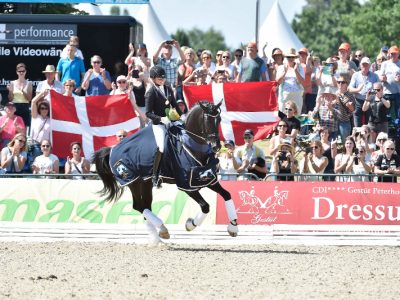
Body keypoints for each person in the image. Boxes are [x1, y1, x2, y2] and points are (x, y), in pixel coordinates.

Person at [145, 66, 182, 188]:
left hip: (170, 120)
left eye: (163, 78)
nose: (162, 80)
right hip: (158, 124)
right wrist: (161, 119)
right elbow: (148, 113)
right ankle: (155, 176)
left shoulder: (167, 89)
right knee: (161, 148)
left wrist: (180, 117)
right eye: (159, 78)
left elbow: (175, 105)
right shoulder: (151, 92)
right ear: (153, 79)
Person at [348, 57, 380, 127]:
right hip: (358, 101)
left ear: (369, 65)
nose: (365, 66)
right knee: (357, 126)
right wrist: (357, 90)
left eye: (366, 65)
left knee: (369, 125)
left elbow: (379, 89)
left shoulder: (375, 76)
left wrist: (370, 95)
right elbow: (349, 89)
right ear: (360, 65)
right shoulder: (355, 75)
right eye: (363, 64)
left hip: (370, 102)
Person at [275, 48, 305, 114]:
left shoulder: (300, 68)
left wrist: (296, 71)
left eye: (292, 57)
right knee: (283, 116)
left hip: (297, 95)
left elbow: (301, 82)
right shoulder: (281, 67)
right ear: (286, 58)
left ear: (295, 58)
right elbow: (277, 82)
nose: (291, 58)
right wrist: (284, 72)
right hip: (284, 95)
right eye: (289, 57)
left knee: (296, 116)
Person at [7, 63, 33, 127]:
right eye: (19, 71)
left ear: (25, 72)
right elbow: (10, 99)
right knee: (14, 128)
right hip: (14, 108)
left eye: (23, 71)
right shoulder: (12, 83)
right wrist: (10, 91)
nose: (21, 73)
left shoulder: (29, 83)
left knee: (24, 128)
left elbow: (29, 99)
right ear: (17, 72)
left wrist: (23, 91)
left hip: (25, 107)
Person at [379, 45, 400, 121]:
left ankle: (397, 131)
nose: (393, 55)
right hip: (387, 92)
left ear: (398, 54)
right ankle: (388, 131)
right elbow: (380, 77)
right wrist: (383, 78)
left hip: (398, 92)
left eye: (395, 53)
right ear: (389, 54)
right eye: (391, 53)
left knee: (398, 114)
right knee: (387, 114)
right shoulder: (384, 64)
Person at [334, 74, 355, 142]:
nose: (340, 84)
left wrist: (342, 96)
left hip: (344, 122)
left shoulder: (350, 95)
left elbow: (352, 109)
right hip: (333, 122)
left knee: (345, 143)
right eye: (338, 82)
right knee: (333, 143)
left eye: (342, 82)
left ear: (347, 84)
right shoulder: (334, 93)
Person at [29, 96, 50, 161]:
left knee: (46, 162)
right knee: (36, 163)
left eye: (46, 108)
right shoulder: (35, 116)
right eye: (42, 108)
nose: (44, 110)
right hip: (36, 144)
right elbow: (33, 101)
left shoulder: (51, 119)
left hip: (47, 145)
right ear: (39, 109)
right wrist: (42, 94)